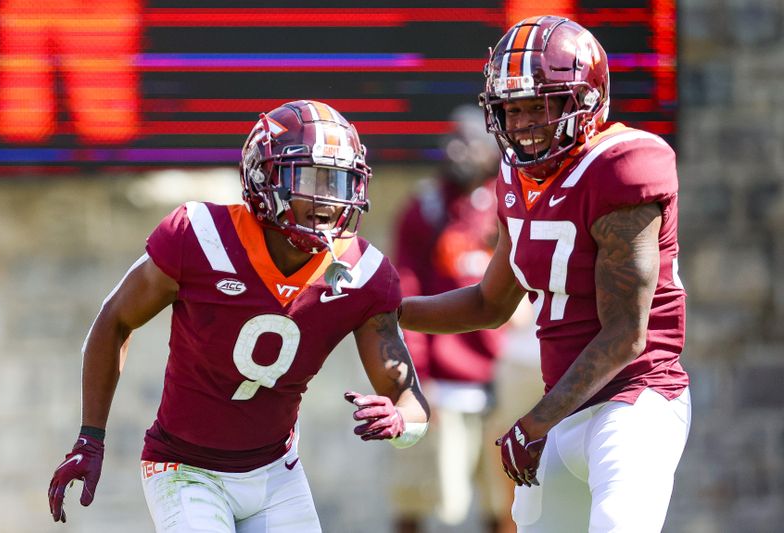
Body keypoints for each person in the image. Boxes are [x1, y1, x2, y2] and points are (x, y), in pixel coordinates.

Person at [48, 100, 430, 532]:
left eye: (338, 182)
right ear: (264, 178)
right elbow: (115, 319)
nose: (325, 199)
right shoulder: (200, 236)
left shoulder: (363, 272)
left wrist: (401, 422)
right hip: (186, 469)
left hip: (275, 474)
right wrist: (90, 438)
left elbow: (411, 399)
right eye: (308, 177)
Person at [398, 15, 691, 532]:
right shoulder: (516, 176)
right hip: (564, 408)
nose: (523, 123)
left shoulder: (622, 164)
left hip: (633, 403)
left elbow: (626, 332)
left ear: (584, 102)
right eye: (512, 109)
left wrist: (535, 420)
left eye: (540, 105)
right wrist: (382, 311)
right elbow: (490, 303)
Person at [389, 105, 515, 533]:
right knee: (421, 497)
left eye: (470, 142)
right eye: (454, 139)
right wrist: (416, 379)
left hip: (499, 379)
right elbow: (405, 298)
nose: (459, 151)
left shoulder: (508, 207)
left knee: (506, 503)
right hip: (442, 383)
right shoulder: (424, 209)